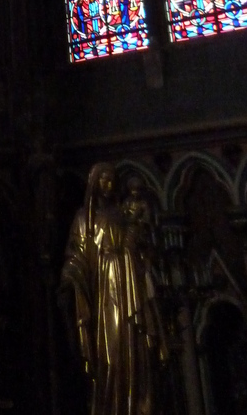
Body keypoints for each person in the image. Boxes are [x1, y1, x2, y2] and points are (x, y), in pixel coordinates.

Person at [60, 163, 165, 415]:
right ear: (94, 183)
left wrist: (139, 249)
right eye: (103, 179)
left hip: (131, 284)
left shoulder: (123, 214)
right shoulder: (84, 217)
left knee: (136, 347)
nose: (108, 184)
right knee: (110, 355)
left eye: (111, 180)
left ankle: (138, 406)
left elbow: (144, 245)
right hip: (104, 290)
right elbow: (76, 255)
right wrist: (70, 276)